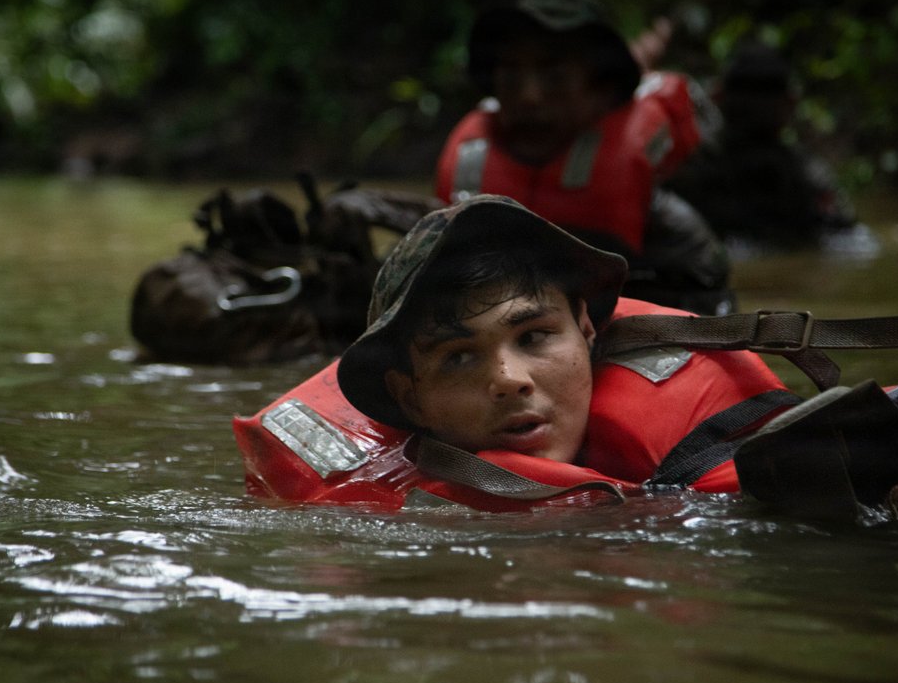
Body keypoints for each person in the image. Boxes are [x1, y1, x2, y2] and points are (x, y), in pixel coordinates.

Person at [235, 193, 795, 511]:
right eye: (458, 357)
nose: (509, 379)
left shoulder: (723, 451)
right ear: (409, 397)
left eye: (533, 338)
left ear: (585, 328)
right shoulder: (375, 539)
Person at [435, 0, 735, 315]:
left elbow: (718, 321)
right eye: (510, 75)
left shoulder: (671, 225)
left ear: (603, 90)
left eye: (555, 76)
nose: (528, 96)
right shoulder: (466, 177)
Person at [665, 41, 876, 257]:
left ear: (718, 96)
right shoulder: (808, 173)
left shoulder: (686, 165)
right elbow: (852, 237)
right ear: (790, 104)